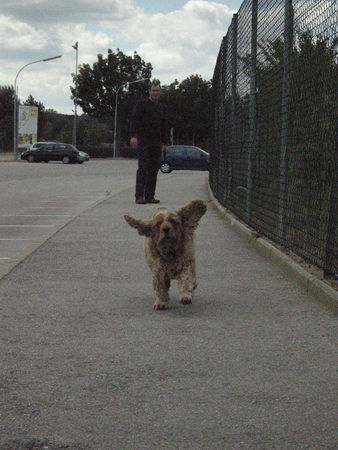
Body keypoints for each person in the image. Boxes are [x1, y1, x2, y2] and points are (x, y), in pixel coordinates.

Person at [130, 81, 168, 204]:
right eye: (153, 90)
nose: (155, 93)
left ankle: (150, 196)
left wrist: (165, 143)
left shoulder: (161, 108)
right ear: (149, 91)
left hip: (156, 142)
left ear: (160, 92)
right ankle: (139, 196)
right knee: (143, 168)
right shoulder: (142, 105)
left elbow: (164, 126)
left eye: (157, 91)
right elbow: (134, 120)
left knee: (154, 169)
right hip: (143, 141)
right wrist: (133, 136)